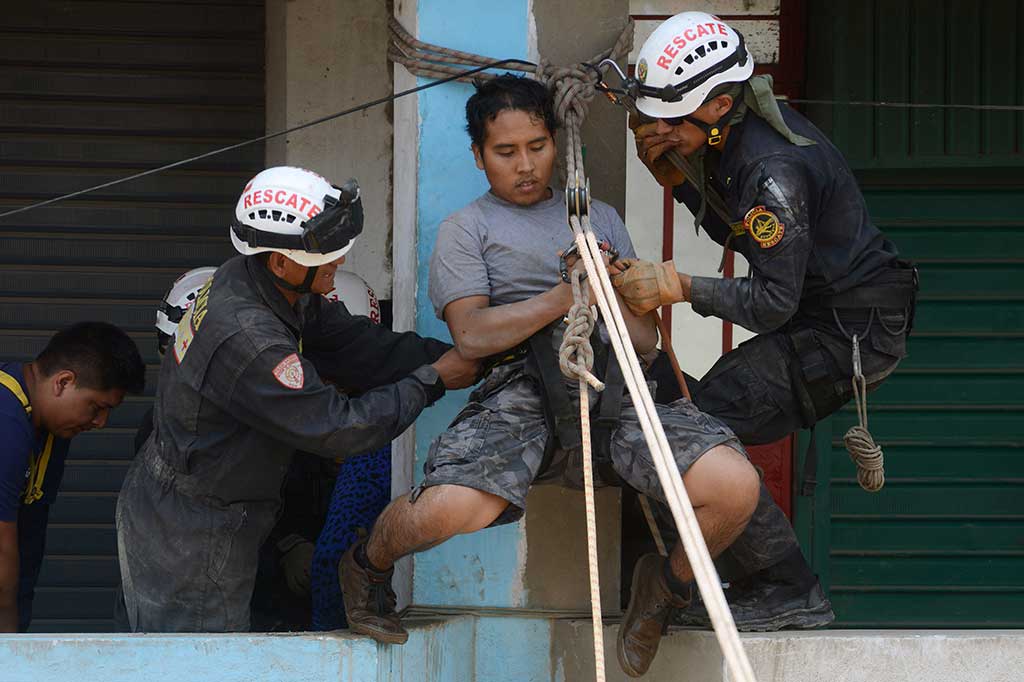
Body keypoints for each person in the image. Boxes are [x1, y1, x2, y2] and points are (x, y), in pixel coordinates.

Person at [337, 74, 762, 678]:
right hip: (519, 388)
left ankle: (666, 588)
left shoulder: (600, 219)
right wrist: (565, 295)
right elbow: (471, 334)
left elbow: (646, 342)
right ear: (478, 156)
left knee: (735, 487)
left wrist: (610, 290)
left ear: (555, 144)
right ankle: (368, 563)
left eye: (537, 146)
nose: (525, 165)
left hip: (616, 384)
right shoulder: (468, 228)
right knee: (446, 510)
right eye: (505, 152)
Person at [614, 11, 918, 630]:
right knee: (698, 424)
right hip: (824, 314)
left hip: (846, 331)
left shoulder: (770, 169)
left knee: (698, 436)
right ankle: (760, 580)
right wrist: (679, 180)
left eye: (671, 121)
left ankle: (787, 587)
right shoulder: (738, 132)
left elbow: (773, 300)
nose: (658, 131)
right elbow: (749, 235)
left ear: (720, 105)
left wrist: (678, 287)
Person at [116, 166, 479, 633]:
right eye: (327, 257)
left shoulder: (257, 280)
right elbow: (338, 428)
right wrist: (431, 382)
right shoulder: (250, 337)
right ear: (281, 263)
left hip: (206, 506)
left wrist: (454, 355)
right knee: (197, 658)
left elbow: (354, 344)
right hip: (191, 529)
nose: (338, 263)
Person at [0, 322, 145, 631]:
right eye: (97, 407)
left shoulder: (50, 428)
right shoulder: (5, 420)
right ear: (63, 382)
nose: (101, 422)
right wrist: (9, 644)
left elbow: (27, 536)